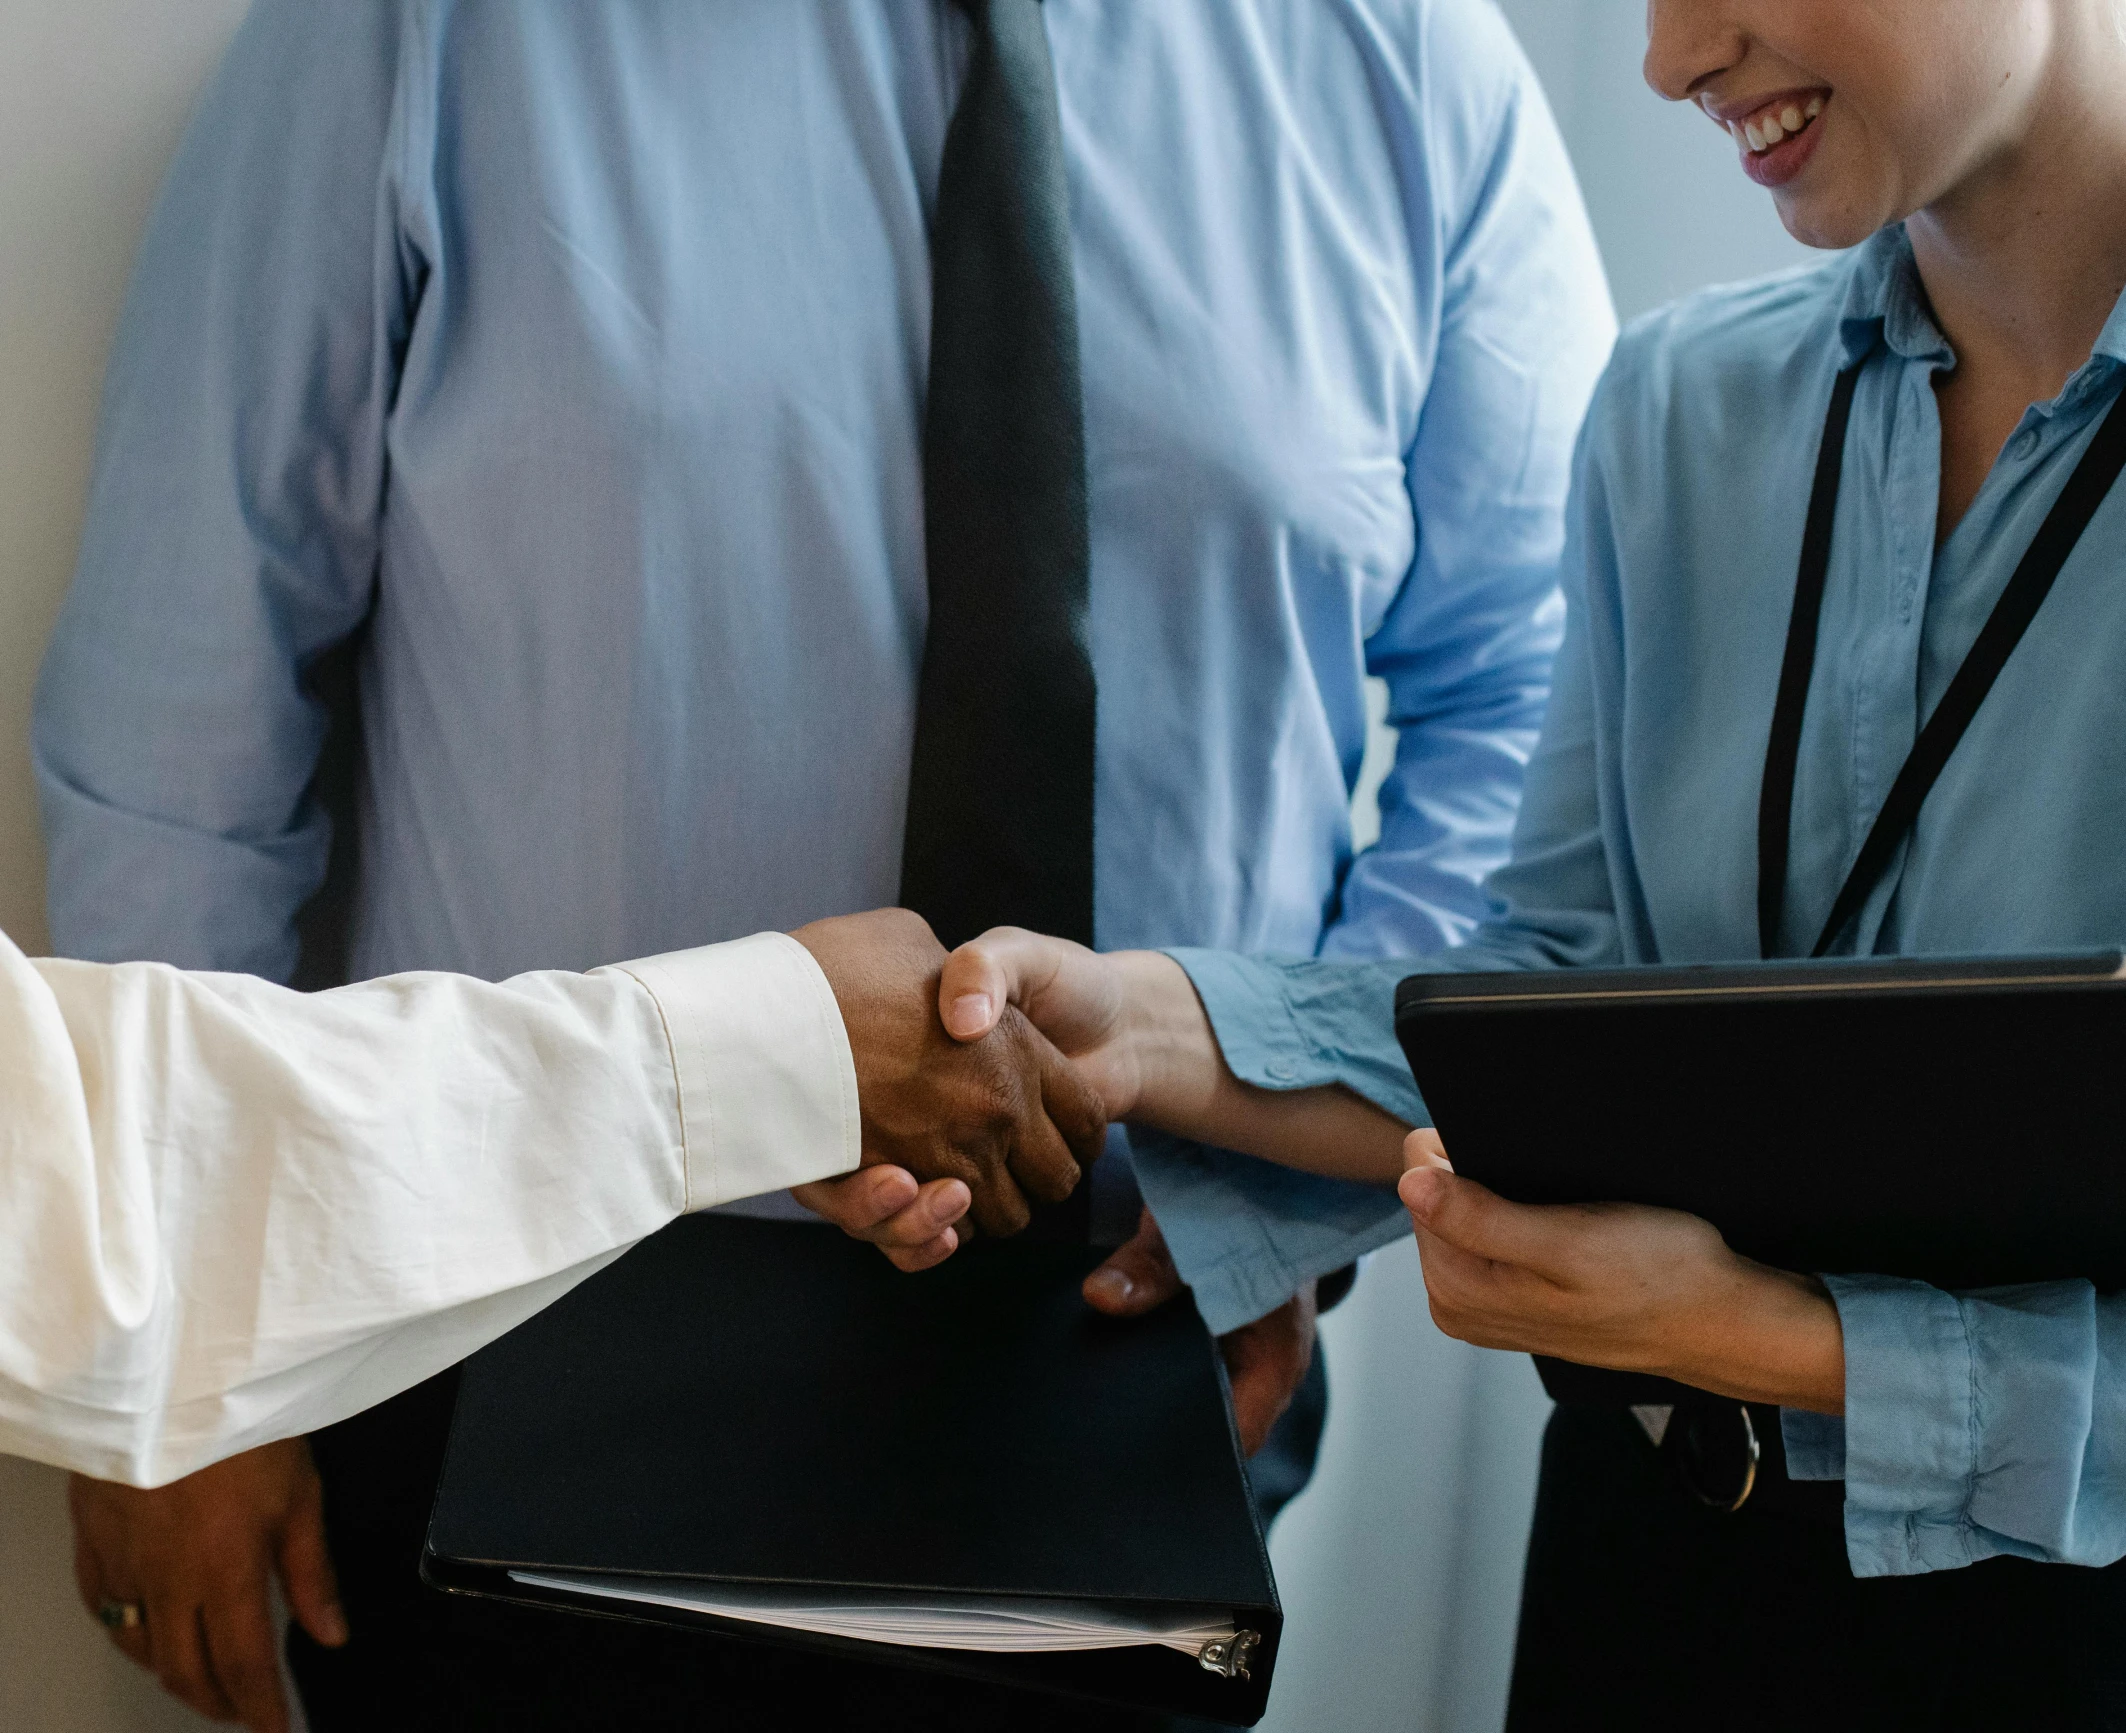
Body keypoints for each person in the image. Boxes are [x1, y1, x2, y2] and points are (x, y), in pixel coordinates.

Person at [32, 1, 1613, 1728]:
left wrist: (1283, 1188)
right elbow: (188, 696)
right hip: (504, 1366)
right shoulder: (416, 34)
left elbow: (1546, 707)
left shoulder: (1413, 64)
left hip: (1123, 1377)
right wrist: (179, 1367)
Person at [935, 0, 2126, 1723]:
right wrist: (1148, 1025)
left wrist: (1779, 1339)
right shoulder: (1679, 406)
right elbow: (1552, 993)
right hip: (1648, 1576)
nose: (1668, 59)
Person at [0, 903, 1094, 1621]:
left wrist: (1241, 1210)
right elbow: (57, 1200)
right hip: (458, 1401)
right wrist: (775, 1050)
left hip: (1074, 1394)